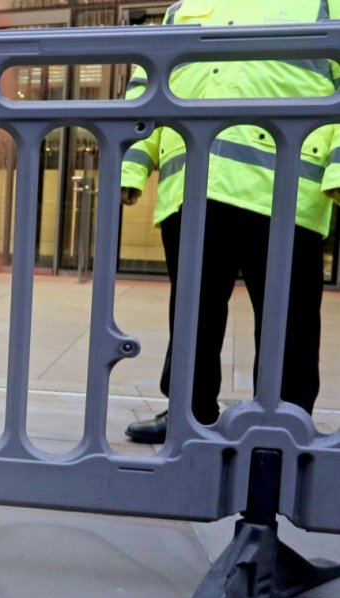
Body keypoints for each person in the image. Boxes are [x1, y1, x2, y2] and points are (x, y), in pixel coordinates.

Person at [121, 0, 340, 444]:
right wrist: (132, 165)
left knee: (289, 317)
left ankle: (285, 418)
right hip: (195, 184)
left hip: (284, 189)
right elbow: (147, 86)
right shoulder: (184, 8)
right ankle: (188, 411)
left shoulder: (323, 3)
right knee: (192, 312)